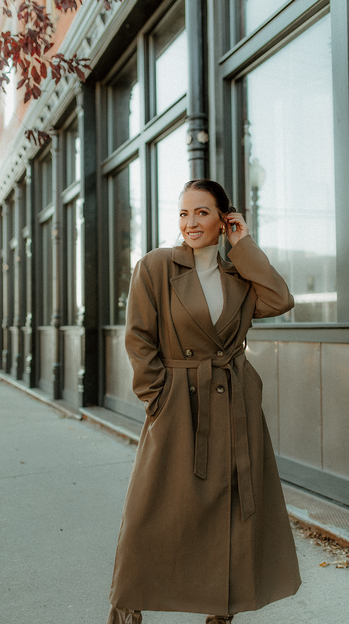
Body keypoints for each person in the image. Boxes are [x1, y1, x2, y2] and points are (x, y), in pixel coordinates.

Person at [106, 180, 301, 624]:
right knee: (149, 511)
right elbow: (138, 339)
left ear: (223, 218)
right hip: (175, 402)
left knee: (228, 507)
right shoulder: (156, 266)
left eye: (201, 213)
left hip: (232, 404)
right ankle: (126, 608)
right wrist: (157, 397)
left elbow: (280, 298)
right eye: (183, 214)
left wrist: (244, 244)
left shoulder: (239, 275)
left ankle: (220, 612)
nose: (189, 223)